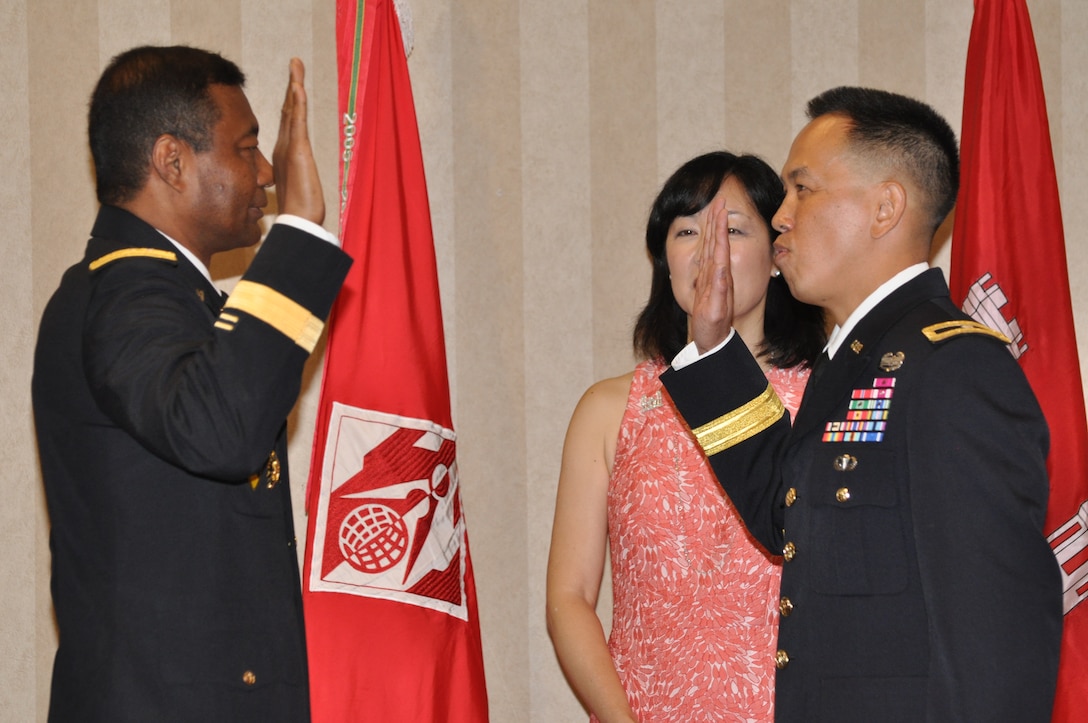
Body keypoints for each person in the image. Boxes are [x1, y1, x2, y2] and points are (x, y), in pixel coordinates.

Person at [660, 87, 1063, 721]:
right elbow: (784, 514)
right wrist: (713, 350)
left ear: (885, 207)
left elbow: (996, 638)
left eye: (803, 189)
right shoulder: (855, 363)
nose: (781, 216)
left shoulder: (952, 369)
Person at [32, 46, 352, 721]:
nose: (267, 172)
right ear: (172, 161)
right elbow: (223, 429)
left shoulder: (170, 295)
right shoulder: (124, 292)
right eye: (246, 148)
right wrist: (296, 231)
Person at [546, 151, 825, 722]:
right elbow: (568, 598)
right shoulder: (608, 409)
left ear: (777, 255)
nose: (708, 251)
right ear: (663, 259)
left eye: (733, 229)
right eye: (687, 231)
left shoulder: (826, 400)